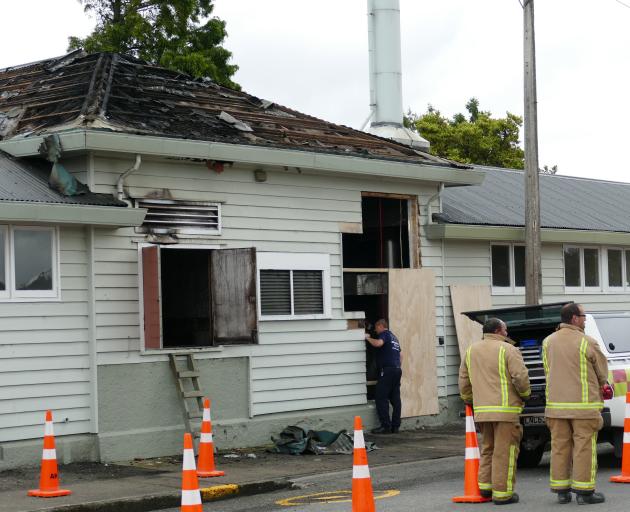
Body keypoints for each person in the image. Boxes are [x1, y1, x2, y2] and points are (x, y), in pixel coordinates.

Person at [458, 318, 530, 505]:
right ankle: (503, 494)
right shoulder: (508, 349)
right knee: (504, 451)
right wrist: (525, 394)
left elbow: (464, 381)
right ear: (498, 330)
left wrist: (470, 401)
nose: (507, 333)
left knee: (488, 448)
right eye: (505, 330)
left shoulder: (471, 350)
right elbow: (520, 377)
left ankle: (485, 487)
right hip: (505, 411)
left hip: (482, 411)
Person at [543, 303, 608, 505]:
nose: (585, 319)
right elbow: (602, 374)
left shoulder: (548, 342)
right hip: (583, 408)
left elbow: (548, 370)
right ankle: (584, 492)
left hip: (555, 407)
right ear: (574, 318)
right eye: (583, 315)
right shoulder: (587, 342)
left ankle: (562, 491)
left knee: (560, 448)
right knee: (583, 448)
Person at [365, 319, 402, 434]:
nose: (376, 331)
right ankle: (395, 426)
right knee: (395, 398)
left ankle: (385, 426)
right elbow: (401, 355)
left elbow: (379, 343)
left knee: (381, 397)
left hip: (387, 371)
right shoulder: (394, 337)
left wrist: (367, 337)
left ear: (381, 326)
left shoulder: (384, 334)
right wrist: (396, 366)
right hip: (397, 370)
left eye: (376, 328)